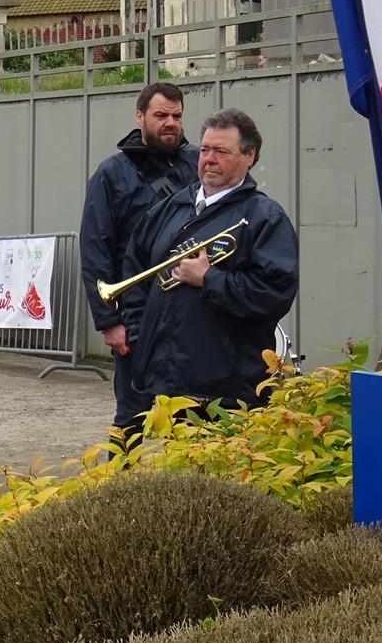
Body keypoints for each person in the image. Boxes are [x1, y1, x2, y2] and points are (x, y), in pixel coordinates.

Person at [121, 108, 299, 414]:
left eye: (221, 151)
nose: (209, 159)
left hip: (225, 390)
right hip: (165, 380)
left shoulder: (265, 218)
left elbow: (273, 294)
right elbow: (136, 271)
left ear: (250, 156)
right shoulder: (171, 208)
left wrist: (208, 279)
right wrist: (139, 335)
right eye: (205, 150)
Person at [80, 81, 198, 432]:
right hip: (137, 315)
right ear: (140, 117)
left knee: (193, 415)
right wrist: (108, 321)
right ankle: (122, 485)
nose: (170, 123)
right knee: (132, 415)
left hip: (193, 312)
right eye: (161, 115)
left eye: (176, 116)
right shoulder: (112, 173)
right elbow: (95, 249)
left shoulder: (197, 162)